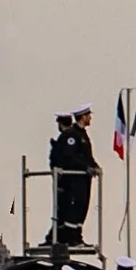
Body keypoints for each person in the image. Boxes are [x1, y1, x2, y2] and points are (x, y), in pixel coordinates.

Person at [47, 105, 98, 252]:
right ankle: (70, 238)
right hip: (75, 180)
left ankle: (77, 237)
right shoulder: (72, 135)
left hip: (83, 180)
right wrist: (85, 167)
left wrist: (95, 166)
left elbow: (87, 156)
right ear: (83, 117)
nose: (90, 118)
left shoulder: (82, 135)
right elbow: (70, 157)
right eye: (88, 116)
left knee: (82, 208)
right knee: (72, 209)